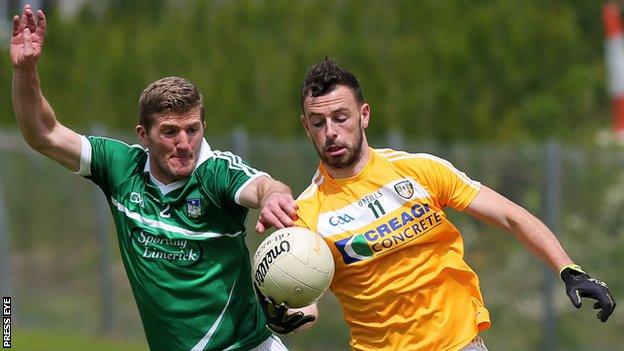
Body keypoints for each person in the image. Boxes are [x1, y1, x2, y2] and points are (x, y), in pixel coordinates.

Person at [10, 5, 306, 351]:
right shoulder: (121, 168)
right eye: (169, 132)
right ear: (143, 134)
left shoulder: (216, 173)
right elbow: (43, 133)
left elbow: (263, 185)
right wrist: (26, 70)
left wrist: (272, 197)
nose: (184, 144)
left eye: (192, 130)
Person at [288, 57, 616, 350]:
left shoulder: (419, 170)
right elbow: (304, 303)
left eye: (340, 117)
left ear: (364, 115)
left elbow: (511, 217)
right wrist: (285, 311)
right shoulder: (308, 214)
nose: (330, 132)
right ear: (306, 127)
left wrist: (569, 270)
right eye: (318, 123)